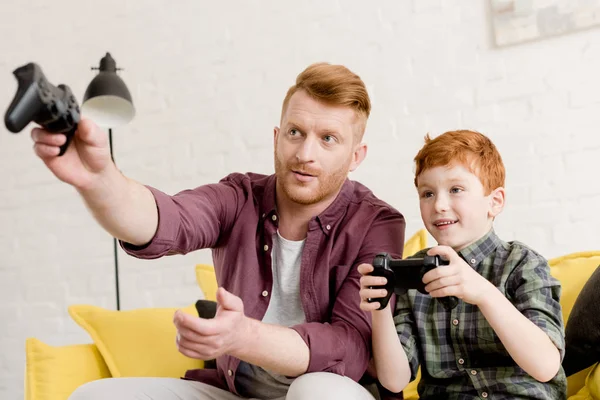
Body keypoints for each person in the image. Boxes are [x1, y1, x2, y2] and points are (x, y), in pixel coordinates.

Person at [31, 62, 406, 399]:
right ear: (277, 136)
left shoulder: (377, 223)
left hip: (332, 390)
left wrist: (242, 336)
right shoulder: (240, 196)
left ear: (356, 156)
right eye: (295, 132)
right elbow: (168, 220)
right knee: (95, 396)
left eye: (328, 139)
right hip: (236, 392)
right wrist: (99, 181)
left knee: (318, 391)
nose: (305, 153)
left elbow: (350, 345)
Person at [358, 130, 567, 399]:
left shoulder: (522, 264)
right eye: (427, 193)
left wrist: (483, 292)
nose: (439, 205)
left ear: (495, 202)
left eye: (456, 189)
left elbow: (546, 366)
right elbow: (394, 380)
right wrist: (381, 309)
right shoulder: (413, 275)